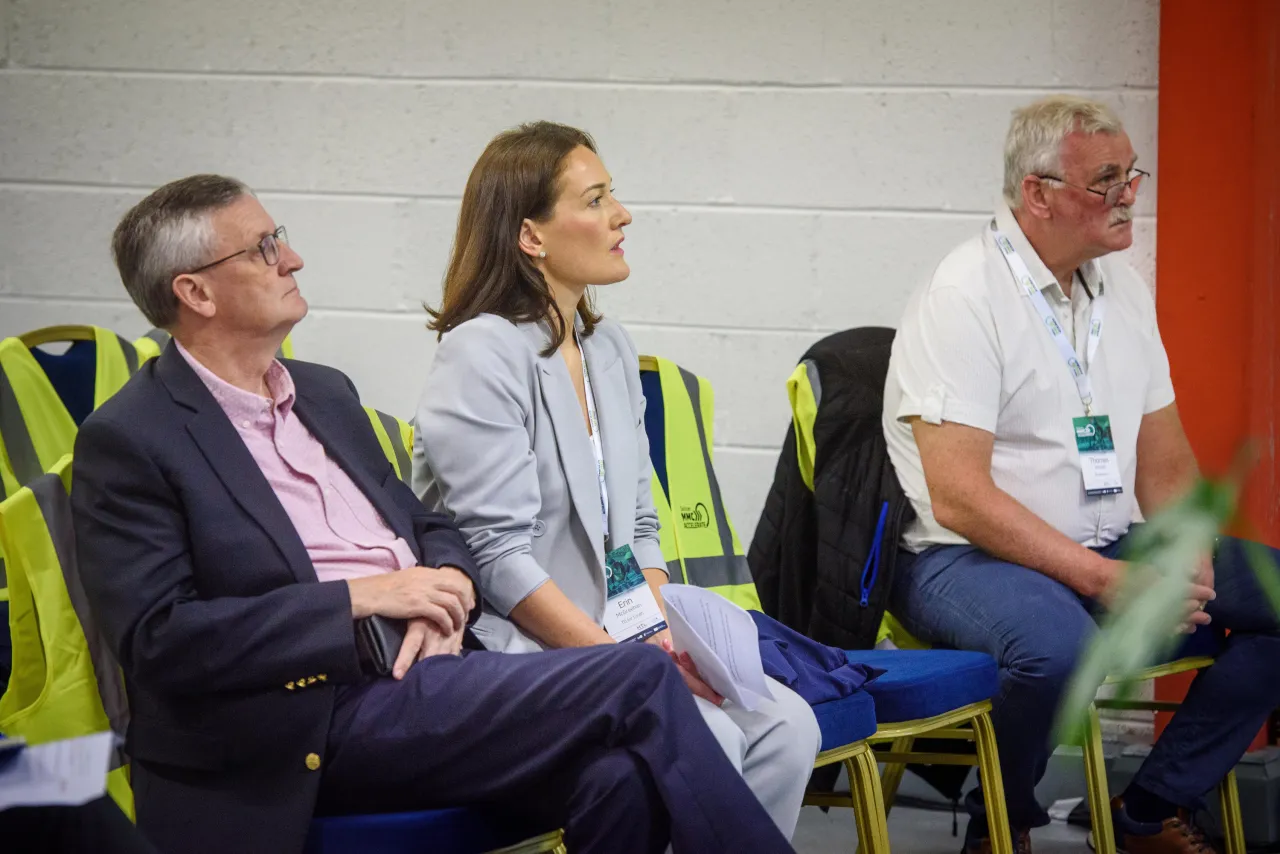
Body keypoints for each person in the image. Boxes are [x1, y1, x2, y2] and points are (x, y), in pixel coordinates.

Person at [70, 174, 798, 854]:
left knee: (622, 773)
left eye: (279, 236)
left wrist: (438, 589)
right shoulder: (132, 439)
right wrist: (363, 599)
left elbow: (432, 528)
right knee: (637, 679)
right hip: (306, 720)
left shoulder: (323, 393)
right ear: (195, 292)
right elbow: (161, 642)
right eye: (263, 247)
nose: (291, 257)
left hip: (430, 670)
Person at [882, 94, 1280, 854]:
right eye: (1105, 181)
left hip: (1104, 541)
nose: (1130, 194)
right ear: (1038, 193)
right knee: (1055, 648)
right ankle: (1004, 823)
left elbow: (1163, 456)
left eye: (1132, 174)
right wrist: (1105, 582)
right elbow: (959, 497)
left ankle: (1145, 810)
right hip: (964, 557)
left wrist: (1188, 550)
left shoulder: (1120, 290)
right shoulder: (964, 294)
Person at [413, 121, 822, 840]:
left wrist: (666, 639)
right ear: (531, 237)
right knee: (712, 742)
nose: (622, 215)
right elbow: (500, 561)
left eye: (614, 195)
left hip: (620, 634)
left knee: (789, 726)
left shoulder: (607, 346)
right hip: (517, 648)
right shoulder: (480, 351)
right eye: (596, 199)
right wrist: (634, 670)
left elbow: (636, 530)